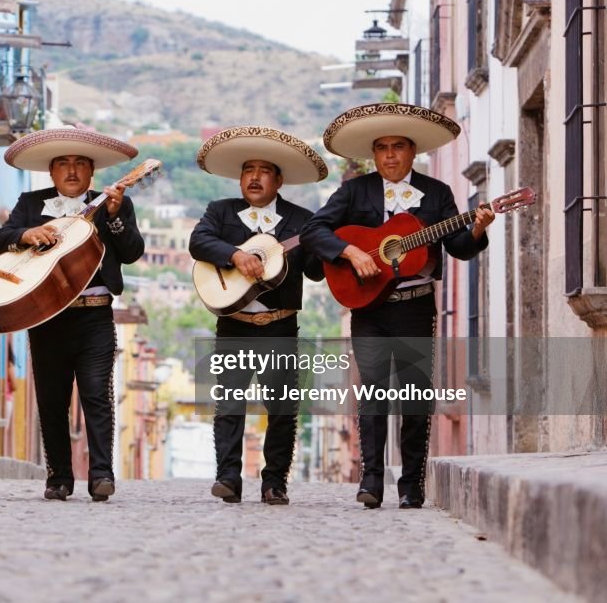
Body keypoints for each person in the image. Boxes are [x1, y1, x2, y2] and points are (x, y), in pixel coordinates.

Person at [300, 103, 494, 509]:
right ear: (374, 154)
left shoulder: (436, 193)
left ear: (412, 152)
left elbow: (458, 247)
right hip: (368, 306)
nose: (390, 155)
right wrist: (351, 253)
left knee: (414, 398)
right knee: (371, 392)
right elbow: (314, 230)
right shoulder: (356, 191)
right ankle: (371, 482)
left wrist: (476, 227)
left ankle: (412, 485)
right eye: (382, 148)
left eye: (399, 146)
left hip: (415, 306)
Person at [0, 128, 144, 501]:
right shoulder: (30, 203)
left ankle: (101, 474)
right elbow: (4, 236)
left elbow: (132, 252)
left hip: (95, 314)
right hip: (46, 317)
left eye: (80, 164)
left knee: (96, 394)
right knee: (51, 397)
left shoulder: (114, 203)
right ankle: (59, 477)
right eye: (64, 164)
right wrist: (27, 234)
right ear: (51, 171)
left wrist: (113, 217)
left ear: (92, 171)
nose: (72, 171)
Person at [189, 126, 328, 504]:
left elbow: (315, 271)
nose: (254, 177)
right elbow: (198, 241)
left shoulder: (303, 220)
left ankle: (274, 482)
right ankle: (228, 478)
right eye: (247, 170)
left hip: (280, 324)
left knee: (282, 408)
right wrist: (235, 255)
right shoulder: (220, 212)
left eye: (263, 170)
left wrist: (328, 244)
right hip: (233, 323)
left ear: (278, 180)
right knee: (229, 403)